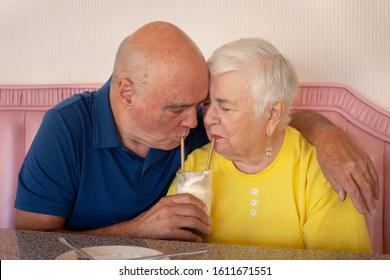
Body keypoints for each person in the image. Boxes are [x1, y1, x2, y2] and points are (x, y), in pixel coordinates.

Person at [14, 21, 377, 243]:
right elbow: (31, 249)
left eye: (201, 104)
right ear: (127, 93)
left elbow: (265, 123)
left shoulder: (200, 130)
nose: (197, 121)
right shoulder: (67, 128)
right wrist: (137, 230)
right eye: (177, 109)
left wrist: (328, 133)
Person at [168, 37, 371, 253]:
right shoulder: (195, 165)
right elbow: (173, 257)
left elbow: (344, 268)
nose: (208, 119)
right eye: (207, 104)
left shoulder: (320, 170)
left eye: (225, 108)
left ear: (272, 113)